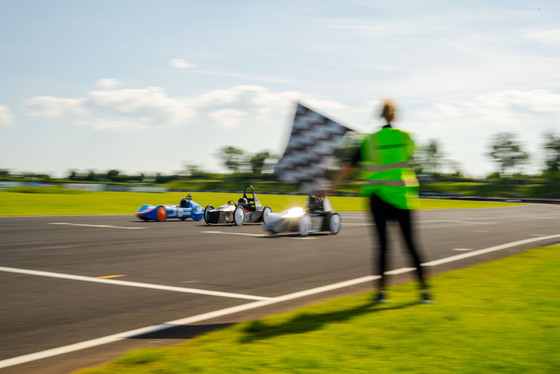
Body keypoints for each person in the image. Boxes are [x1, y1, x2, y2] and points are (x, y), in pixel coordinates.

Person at [329, 99, 433, 303]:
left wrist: (332, 187)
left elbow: (348, 166)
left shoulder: (368, 141)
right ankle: (424, 293)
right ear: (394, 115)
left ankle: (381, 293)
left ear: (379, 115)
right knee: (411, 244)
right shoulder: (407, 138)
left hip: (377, 197)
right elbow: (408, 157)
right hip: (402, 197)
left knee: (383, 245)